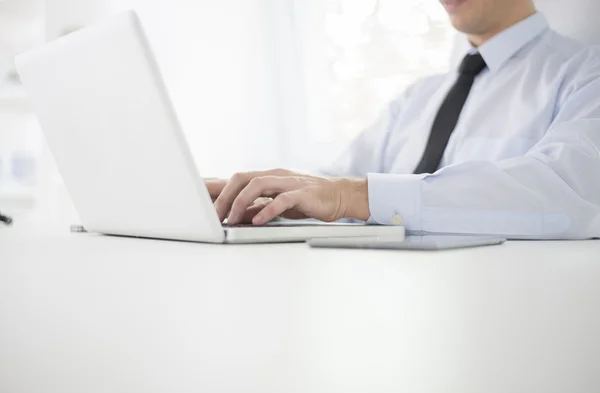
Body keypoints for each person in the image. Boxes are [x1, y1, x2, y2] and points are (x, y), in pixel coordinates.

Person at [207, 0, 600, 240]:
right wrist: (266, 198)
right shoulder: (418, 98)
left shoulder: (585, 75)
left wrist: (352, 196)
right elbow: (336, 178)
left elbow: (568, 192)